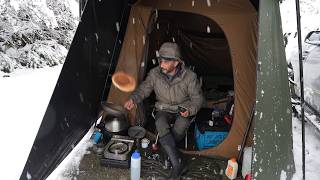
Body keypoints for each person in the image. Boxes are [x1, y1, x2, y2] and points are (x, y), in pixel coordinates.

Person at [124, 42, 203, 180]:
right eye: (160, 60)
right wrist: (133, 99)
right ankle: (178, 164)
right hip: (163, 108)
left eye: (165, 62)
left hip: (182, 109)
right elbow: (144, 89)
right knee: (160, 122)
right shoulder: (155, 74)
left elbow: (198, 99)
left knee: (181, 126)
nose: (161, 65)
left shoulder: (190, 77)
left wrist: (189, 110)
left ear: (177, 62)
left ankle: (171, 157)